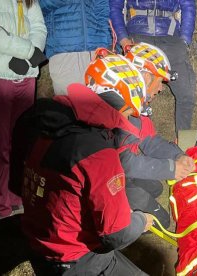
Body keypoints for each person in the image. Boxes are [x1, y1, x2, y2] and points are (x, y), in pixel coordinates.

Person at [16, 80, 154, 275]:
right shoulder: (99, 153)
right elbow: (116, 235)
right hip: (77, 258)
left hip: (40, 243)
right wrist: (140, 220)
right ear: (120, 111)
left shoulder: (49, 127)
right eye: (129, 115)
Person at [84, 47, 195, 229]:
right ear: (143, 76)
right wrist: (171, 169)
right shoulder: (114, 110)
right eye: (159, 81)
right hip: (105, 181)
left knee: (156, 188)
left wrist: (177, 156)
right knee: (161, 221)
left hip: (120, 170)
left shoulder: (134, 106)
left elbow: (150, 141)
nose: (160, 88)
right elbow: (124, 162)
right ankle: (113, 220)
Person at [0, 0, 47, 219]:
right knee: (0, 146)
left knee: (23, 142)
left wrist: (31, 59)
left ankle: (17, 196)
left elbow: (39, 27)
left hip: (26, 77)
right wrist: (26, 52)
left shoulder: (27, 0)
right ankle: (0, 202)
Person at [109, 0, 196, 133]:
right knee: (134, 95)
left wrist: (185, 40)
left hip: (171, 39)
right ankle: (136, 140)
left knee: (186, 93)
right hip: (138, 38)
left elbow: (188, 6)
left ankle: (182, 143)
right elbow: (114, 6)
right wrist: (123, 39)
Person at [38, 0, 112, 94]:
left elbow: (102, 8)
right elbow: (40, 4)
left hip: (96, 50)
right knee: (69, 103)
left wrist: (107, 43)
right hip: (64, 50)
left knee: (98, 105)